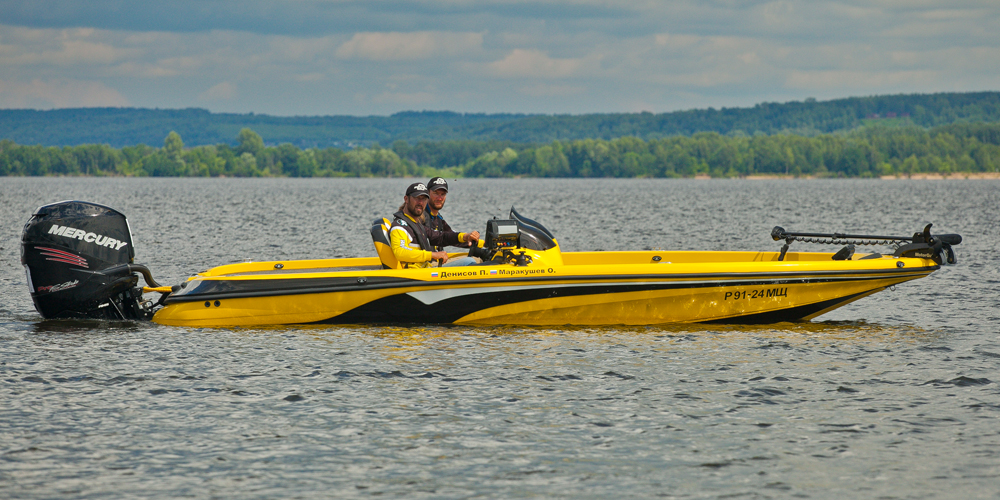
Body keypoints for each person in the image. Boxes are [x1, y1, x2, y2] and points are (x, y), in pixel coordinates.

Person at [389, 182, 479, 268]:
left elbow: (441, 237)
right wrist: (432, 255)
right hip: (419, 274)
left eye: (424, 199)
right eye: (417, 198)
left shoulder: (415, 224)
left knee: (474, 258)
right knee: (469, 261)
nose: (420, 202)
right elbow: (400, 252)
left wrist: (465, 236)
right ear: (406, 199)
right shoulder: (399, 226)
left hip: (426, 267)